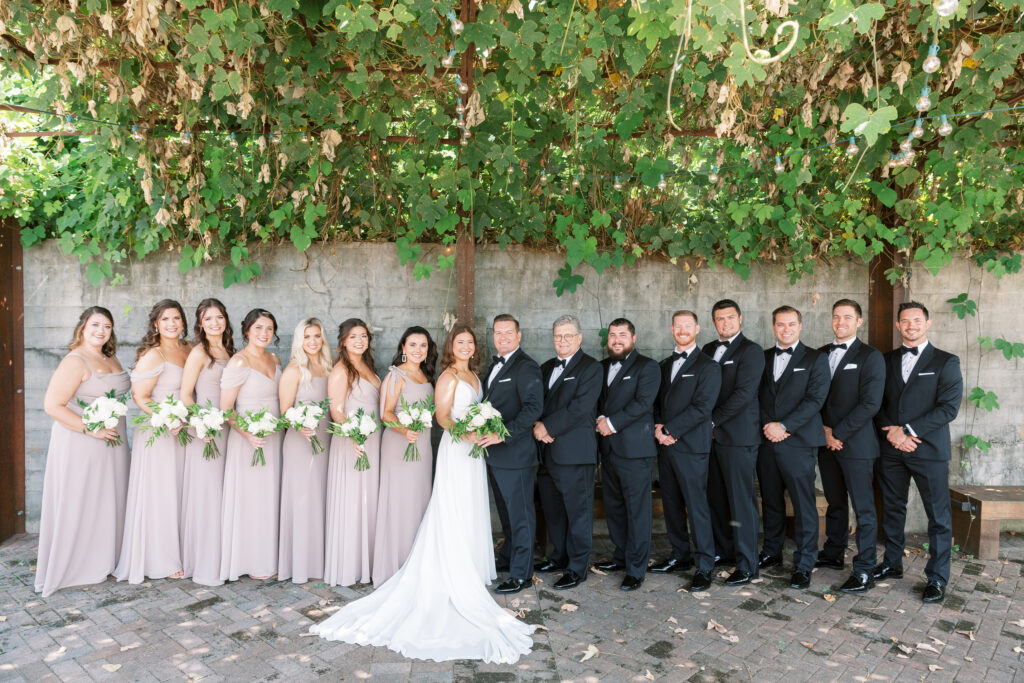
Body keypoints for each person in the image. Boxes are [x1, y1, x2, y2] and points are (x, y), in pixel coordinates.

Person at [310, 325, 535, 664]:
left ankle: (471, 564)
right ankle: (443, 567)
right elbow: (443, 417)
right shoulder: (442, 377)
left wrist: (482, 428)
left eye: (470, 342)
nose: (465, 346)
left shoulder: (475, 376)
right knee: (451, 505)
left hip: (471, 451)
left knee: (470, 506)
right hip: (457, 447)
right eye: (459, 342)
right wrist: (463, 433)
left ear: (475, 348)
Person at [36, 307, 130, 597]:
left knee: (108, 500)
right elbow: (53, 405)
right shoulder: (75, 361)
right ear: (82, 327)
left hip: (113, 444)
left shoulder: (110, 356)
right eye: (95, 325)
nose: (101, 331)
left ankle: (106, 557)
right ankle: (79, 564)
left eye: (107, 326)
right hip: (84, 442)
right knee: (82, 499)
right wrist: (92, 429)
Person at [873, 301, 962, 603]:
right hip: (892, 449)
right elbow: (875, 404)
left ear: (928, 323)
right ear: (898, 326)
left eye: (916, 320)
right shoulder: (884, 361)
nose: (911, 326)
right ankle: (892, 563)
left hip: (929, 449)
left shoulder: (946, 361)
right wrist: (893, 434)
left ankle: (937, 577)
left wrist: (908, 431)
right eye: (905, 321)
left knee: (937, 516)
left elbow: (948, 408)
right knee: (893, 509)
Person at [115, 299, 192, 584]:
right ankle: (162, 559)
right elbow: (141, 397)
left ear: (183, 322)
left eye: (176, 318)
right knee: (161, 492)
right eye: (166, 319)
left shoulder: (189, 348)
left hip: (184, 429)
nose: (172, 324)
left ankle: (184, 550)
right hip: (159, 429)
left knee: (181, 490)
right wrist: (168, 417)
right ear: (156, 324)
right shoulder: (154, 355)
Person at [756, 305, 829, 590]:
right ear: (773, 327)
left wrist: (784, 426)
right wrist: (768, 426)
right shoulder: (761, 358)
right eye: (780, 324)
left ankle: (804, 563)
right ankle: (772, 552)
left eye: (791, 324)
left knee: (802, 503)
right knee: (771, 501)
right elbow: (755, 397)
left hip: (798, 441)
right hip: (766, 440)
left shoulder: (815, 358)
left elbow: (815, 399)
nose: (785, 329)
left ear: (800, 326)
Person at [816, 299, 884, 593]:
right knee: (835, 502)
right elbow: (811, 398)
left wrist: (838, 432)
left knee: (864, 509)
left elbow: (870, 403)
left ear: (859, 321)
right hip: (824, 442)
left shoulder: (871, 357)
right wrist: (823, 432)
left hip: (856, 445)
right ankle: (833, 553)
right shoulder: (819, 354)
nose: (840, 322)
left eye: (847, 317)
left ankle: (865, 568)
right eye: (836, 317)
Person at [652, 311, 721, 592]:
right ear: (671, 329)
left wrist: (670, 431)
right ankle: (679, 555)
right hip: (666, 447)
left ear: (697, 329)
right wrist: (658, 427)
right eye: (677, 326)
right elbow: (657, 402)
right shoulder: (664, 364)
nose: (682, 330)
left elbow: (702, 408)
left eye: (687, 326)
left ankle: (704, 565)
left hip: (691, 447)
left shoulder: (708, 366)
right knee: (671, 504)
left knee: (697, 507)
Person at [534, 315, 602, 590]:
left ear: (579, 338)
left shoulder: (591, 368)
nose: (562, 341)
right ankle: (558, 557)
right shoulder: (546, 367)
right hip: (546, 454)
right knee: (554, 511)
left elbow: (581, 407)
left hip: (575, 453)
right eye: (558, 336)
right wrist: (538, 426)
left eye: (568, 336)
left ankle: (577, 567)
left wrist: (547, 427)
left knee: (578, 512)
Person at [700, 299, 764, 585]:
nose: (725, 323)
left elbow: (744, 394)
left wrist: (712, 420)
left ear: (740, 318)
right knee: (716, 498)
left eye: (729, 318)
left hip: (738, 437)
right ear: (714, 322)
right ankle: (723, 551)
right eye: (719, 319)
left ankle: (747, 563)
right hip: (709, 439)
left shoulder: (751, 351)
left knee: (741, 502)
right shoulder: (706, 350)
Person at [594, 318, 661, 591]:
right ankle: (621, 556)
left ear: (633, 338)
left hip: (635, 451)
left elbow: (643, 404)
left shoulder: (648, 367)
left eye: (622, 334)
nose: (617, 339)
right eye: (612, 335)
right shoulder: (601, 367)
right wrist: (600, 417)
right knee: (615, 508)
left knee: (637, 511)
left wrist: (609, 424)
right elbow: (597, 401)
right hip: (608, 451)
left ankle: (636, 569)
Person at [482, 314, 544, 594]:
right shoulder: (493, 366)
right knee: (506, 513)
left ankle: (522, 573)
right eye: (498, 332)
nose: (503, 337)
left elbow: (533, 409)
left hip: (516, 454)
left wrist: (502, 433)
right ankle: (508, 558)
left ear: (519, 336)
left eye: (509, 332)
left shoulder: (526, 367)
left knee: (521, 516)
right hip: (495, 456)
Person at [219, 308, 283, 581]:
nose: (264, 333)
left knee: (270, 497)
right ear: (246, 330)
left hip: (274, 438)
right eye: (258, 328)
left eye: (269, 329)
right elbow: (226, 409)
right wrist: (248, 434)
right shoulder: (238, 362)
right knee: (251, 498)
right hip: (248, 441)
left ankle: (268, 558)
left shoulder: (275, 358)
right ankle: (249, 560)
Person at [373, 326, 437, 585]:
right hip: (400, 445)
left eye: (423, 346)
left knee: (418, 498)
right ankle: (396, 562)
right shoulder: (395, 376)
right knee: (400, 499)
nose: (418, 350)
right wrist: (405, 429)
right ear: (403, 348)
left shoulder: (425, 375)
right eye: (413, 345)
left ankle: (416, 559)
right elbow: (385, 414)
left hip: (422, 447)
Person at [324, 318, 382, 587]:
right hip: (352, 444)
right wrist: (353, 437)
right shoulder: (341, 370)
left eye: (363, 336)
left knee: (368, 501)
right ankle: (350, 564)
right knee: (352, 500)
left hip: (373, 439)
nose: (360, 341)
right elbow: (336, 409)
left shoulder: (367, 365)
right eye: (354, 336)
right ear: (344, 341)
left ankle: (368, 561)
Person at [180, 298, 234, 587]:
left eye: (219, 317)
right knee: (209, 495)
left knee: (226, 494)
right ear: (200, 323)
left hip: (229, 430)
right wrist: (200, 422)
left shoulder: (231, 351)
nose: (215, 323)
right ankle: (206, 563)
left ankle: (227, 558)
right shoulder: (199, 353)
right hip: (206, 432)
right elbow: (186, 395)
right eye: (208, 318)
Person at [278, 317, 333, 584]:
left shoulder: (328, 367)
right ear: (300, 340)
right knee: (302, 499)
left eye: (317, 336)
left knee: (321, 497)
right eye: (307, 337)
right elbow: (284, 411)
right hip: (301, 442)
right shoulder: (293, 370)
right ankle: (300, 564)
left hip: (326, 440)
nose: (312, 342)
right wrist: (300, 425)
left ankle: (319, 560)